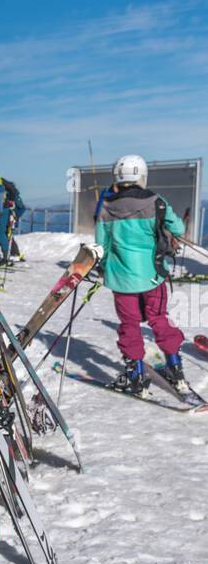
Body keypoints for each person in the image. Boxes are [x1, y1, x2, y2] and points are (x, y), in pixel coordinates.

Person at [95, 154, 186, 396]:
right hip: (152, 276)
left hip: (121, 279)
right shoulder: (156, 201)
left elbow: (100, 245)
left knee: (130, 323)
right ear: (142, 176)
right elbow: (179, 228)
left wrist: (105, 267)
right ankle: (175, 368)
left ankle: (136, 375)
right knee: (159, 319)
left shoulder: (106, 206)